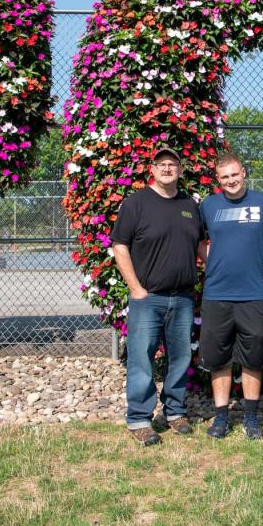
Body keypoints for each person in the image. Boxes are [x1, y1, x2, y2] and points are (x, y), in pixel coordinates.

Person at [111, 146, 205, 446]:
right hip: (148, 298)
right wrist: (136, 288)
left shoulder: (189, 205)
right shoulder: (136, 203)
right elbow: (120, 246)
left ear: (180, 170)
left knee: (180, 358)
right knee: (142, 359)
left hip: (183, 298)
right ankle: (139, 418)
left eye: (173, 164)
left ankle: (175, 413)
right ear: (152, 169)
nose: (167, 168)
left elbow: (202, 247)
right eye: (162, 164)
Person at [198, 153, 263, 440]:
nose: (231, 180)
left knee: (253, 359)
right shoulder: (208, 205)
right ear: (218, 180)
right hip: (217, 294)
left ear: (243, 172)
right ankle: (221, 418)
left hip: (254, 294)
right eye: (224, 177)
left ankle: (251, 418)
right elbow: (196, 239)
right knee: (219, 359)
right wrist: (215, 262)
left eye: (234, 174)